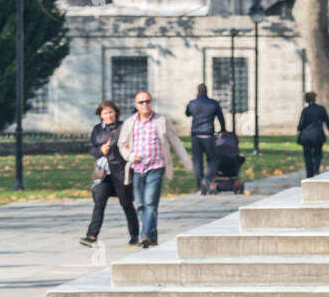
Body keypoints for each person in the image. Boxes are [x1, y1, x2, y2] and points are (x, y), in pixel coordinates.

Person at [118, 91, 192, 247]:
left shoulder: (162, 121)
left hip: (156, 167)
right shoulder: (130, 123)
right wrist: (130, 156)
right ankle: (152, 236)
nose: (144, 104)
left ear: (151, 103)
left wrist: (187, 162)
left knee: (150, 202)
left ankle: (144, 235)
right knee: (140, 204)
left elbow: (176, 142)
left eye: (147, 101)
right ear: (136, 105)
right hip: (137, 168)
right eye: (141, 102)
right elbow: (121, 144)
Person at [79, 100, 139, 247]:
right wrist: (100, 151)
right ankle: (91, 236)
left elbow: (131, 143)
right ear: (100, 115)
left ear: (116, 113)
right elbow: (92, 149)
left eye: (111, 112)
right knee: (99, 203)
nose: (108, 115)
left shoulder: (124, 127)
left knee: (126, 203)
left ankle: (134, 235)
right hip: (103, 174)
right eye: (105, 113)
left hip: (120, 171)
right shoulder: (97, 129)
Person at [185, 83, 226, 194]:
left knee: (197, 162)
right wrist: (223, 129)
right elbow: (221, 117)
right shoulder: (213, 103)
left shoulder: (192, 103)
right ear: (207, 91)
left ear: (197, 92)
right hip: (208, 134)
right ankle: (207, 179)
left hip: (196, 135)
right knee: (214, 159)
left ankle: (200, 187)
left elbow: (187, 113)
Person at [297, 91, 329, 178]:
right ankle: (316, 168)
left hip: (306, 136)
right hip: (318, 134)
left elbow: (301, 124)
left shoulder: (305, 110)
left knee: (307, 155)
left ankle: (309, 172)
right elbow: (327, 122)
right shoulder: (321, 109)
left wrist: (299, 129)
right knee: (318, 153)